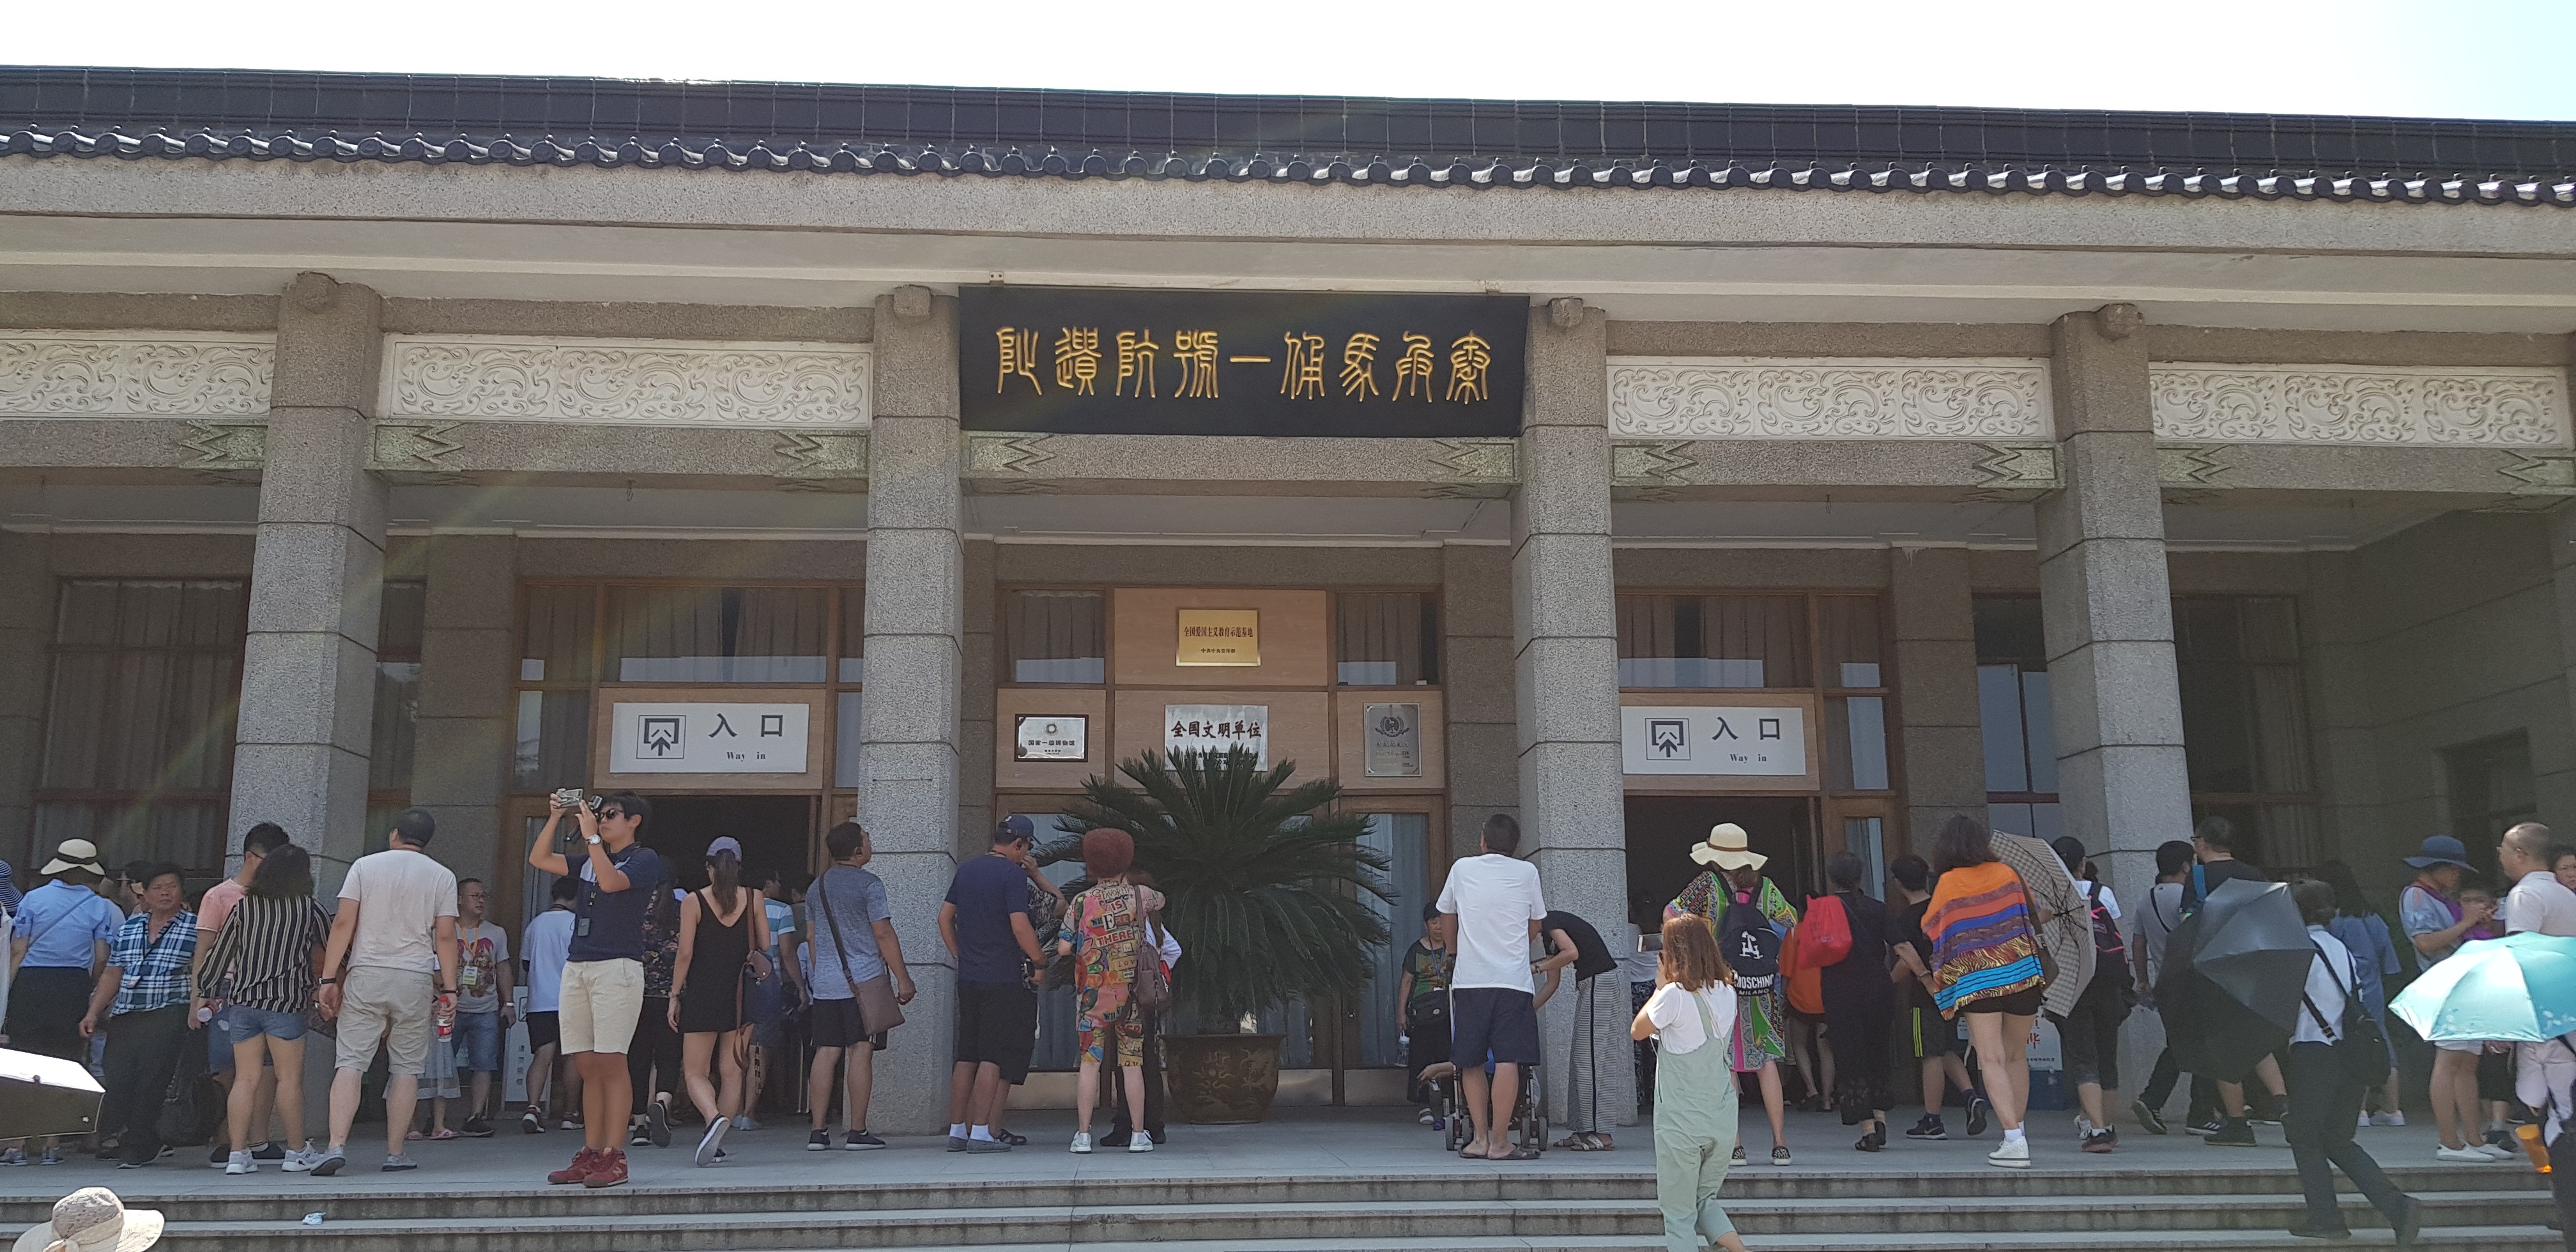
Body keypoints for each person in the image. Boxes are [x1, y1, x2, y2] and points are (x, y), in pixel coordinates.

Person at [528, 790, 667, 1190]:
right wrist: (555, 817)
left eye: (612, 815)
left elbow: (609, 882)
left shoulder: (643, 858)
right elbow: (539, 860)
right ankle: (590, 1153)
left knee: (611, 1061)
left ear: (633, 821)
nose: (603, 821)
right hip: (578, 966)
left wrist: (591, 839)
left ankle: (614, 1156)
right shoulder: (591, 857)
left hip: (617, 968)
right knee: (587, 1065)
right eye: (599, 815)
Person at [314, 808, 459, 1177]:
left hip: (367, 972)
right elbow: (445, 936)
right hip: (414, 977)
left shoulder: (365, 867)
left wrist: (329, 979)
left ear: (394, 834)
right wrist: (451, 987)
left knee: (350, 1062)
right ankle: (395, 1153)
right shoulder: (442, 876)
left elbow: (344, 922)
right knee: (407, 1068)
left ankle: (335, 1145)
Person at [2281, 878, 2422, 1244]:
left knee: (2305, 1137)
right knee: (2339, 1140)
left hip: (2313, 1052)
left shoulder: (2297, 950)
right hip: (2349, 1055)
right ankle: (2396, 1207)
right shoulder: (2340, 948)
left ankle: (2326, 1218)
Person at [191, 843, 328, 1174]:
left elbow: (220, 954)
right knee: (288, 1079)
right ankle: (297, 1153)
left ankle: (238, 1154)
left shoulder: (244, 908)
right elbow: (329, 951)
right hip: (285, 1001)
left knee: (246, 1079)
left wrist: (205, 993)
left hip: (242, 1001)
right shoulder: (309, 909)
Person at [1666, 822, 1797, 1166]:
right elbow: (1791, 920)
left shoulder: (1706, 885)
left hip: (1720, 984)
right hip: (1762, 986)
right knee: (1766, 1061)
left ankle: (1735, 1145)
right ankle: (1780, 1144)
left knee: (1726, 1061)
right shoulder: (1765, 888)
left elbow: (1672, 912)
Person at [1925, 816, 2048, 1169]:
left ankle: (2013, 1140)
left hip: (1978, 981)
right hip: (2023, 975)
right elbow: (2032, 913)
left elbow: (1934, 927)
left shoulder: (1948, 882)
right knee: (2016, 1056)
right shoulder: (2009, 874)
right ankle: (2017, 1130)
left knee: (1990, 1057)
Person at [1436, 813, 1548, 1163]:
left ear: (1483, 841)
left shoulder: (1462, 869)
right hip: (1513, 981)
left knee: (1469, 1060)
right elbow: (1537, 923)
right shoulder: (1527, 872)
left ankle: (1480, 1139)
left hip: (1470, 981)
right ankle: (1502, 1142)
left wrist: (1455, 951)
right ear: (1516, 847)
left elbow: (1446, 914)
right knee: (1508, 1059)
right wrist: (1517, 946)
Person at [3, 839, 122, 1166]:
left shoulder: (33, 899)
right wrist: (90, 988)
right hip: (72, 984)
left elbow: (18, 949)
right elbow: (102, 957)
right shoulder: (98, 906)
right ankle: (51, 1144)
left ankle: (15, 1145)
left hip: (32, 984)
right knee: (63, 1065)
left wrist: (7, 992)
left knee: (21, 1064)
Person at [1634, 915, 1749, 1252]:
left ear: (1673, 954)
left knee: (1679, 1215)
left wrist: (1658, 986)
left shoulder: (1672, 995)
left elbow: (1638, 1030)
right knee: (1705, 1201)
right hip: (1722, 1115)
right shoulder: (1727, 990)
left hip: (1681, 1122)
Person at [802, 821, 914, 1151]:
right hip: (863, 983)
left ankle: (818, 1132)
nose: (870, 843)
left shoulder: (816, 888)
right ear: (856, 850)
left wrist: (822, 972)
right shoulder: (869, 885)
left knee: (825, 1052)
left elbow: (812, 938)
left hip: (825, 985)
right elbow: (883, 933)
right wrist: (903, 978)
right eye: (867, 839)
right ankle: (857, 1131)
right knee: (860, 1051)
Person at [941, 816, 1049, 1153]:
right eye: (1027, 847)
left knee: (967, 1055)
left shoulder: (968, 870)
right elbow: (1020, 925)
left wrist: (959, 954)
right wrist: (1039, 961)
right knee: (993, 1056)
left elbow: (944, 917)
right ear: (1019, 844)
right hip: (1002, 976)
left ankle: (957, 1130)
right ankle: (982, 1132)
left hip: (969, 976)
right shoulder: (1012, 875)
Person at [1055, 828, 1165, 1154]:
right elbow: (1161, 900)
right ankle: (1138, 1134)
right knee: (1131, 1063)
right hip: (1130, 995)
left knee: (1090, 1062)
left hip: (1091, 997)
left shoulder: (1080, 902)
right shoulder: (1140, 895)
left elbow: (1063, 948)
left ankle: (1084, 1135)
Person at [81, 862, 195, 1169]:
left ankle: (140, 1144)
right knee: (118, 1077)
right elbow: (113, 971)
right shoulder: (131, 927)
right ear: (143, 892)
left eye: (171, 886)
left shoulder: (195, 927)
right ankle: (131, 1135)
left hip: (169, 1011)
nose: (165, 893)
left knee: (153, 1079)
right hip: (127, 1012)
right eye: (157, 887)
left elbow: (202, 973)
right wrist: (94, 1011)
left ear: (182, 890)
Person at [192, 822, 291, 1166]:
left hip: (269, 989)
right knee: (227, 1067)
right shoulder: (219, 896)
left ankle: (259, 1139)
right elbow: (203, 951)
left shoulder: (283, 896)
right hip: (225, 987)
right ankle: (227, 1139)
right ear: (250, 857)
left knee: (266, 1069)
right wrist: (198, 997)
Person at [2396, 834, 2499, 1163]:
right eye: (2452, 869)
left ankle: (2473, 1138)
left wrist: (2473, 922)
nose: (2457, 875)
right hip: (2444, 985)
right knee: (2449, 1062)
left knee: (2467, 1064)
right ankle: (2449, 1142)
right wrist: (2468, 921)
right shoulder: (2416, 896)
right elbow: (2425, 942)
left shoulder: (2440, 897)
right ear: (2435, 867)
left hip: (2462, 984)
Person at [669, 836, 770, 1167]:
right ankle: (719, 1143)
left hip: (702, 991)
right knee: (732, 1071)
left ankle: (713, 1119)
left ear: (709, 866)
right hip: (740, 993)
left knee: (695, 1070)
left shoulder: (694, 901)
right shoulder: (755, 896)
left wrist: (674, 994)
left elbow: (685, 953)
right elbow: (765, 943)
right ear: (738, 867)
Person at [2193, 818, 2287, 1147]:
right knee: (2255, 1038)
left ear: (2202, 842)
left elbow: (2189, 922)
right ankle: (2283, 1104)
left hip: (2214, 969)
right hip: (2252, 966)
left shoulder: (2199, 877)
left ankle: (2237, 1122)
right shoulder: (2254, 875)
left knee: (2223, 1046)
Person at [1887, 853, 1983, 1141]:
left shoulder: (1908, 918)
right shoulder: (1944, 908)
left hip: (1925, 993)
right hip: (1954, 989)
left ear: (1899, 884)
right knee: (1946, 1048)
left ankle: (1933, 1119)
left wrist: (1888, 982)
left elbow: (1907, 958)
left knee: (1930, 1054)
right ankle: (1970, 1097)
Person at [1806, 851, 1895, 1152]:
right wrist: (1920, 975)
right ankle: (1881, 1119)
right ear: (1861, 877)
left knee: (1851, 1058)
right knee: (1878, 1053)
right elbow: (1902, 945)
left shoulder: (1823, 909)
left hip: (1840, 990)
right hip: (1878, 988)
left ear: (1831, 879)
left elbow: (1811, 950)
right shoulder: (1878, 908)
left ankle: (1868, 1130)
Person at [2049, 836, 2132, 1154]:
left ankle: (2096, 1130)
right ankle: (2108, 1127)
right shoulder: (2102, 893)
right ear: (2083, 864)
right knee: (2106, 1057)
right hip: (2108, 983)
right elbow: (2116, 934)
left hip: (2072, 984)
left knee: (2083, 1058)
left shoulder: (2050, 899)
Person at [2315, 861, 2405, 1129]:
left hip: (2346, 989)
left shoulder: (2334, 921)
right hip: (2374, 988)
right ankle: (2393, 1109)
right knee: (2380, 1042)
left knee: (2353, 1044)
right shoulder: (2372, 918)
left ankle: (2360, 1110)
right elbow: (2390, 962)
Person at [2130, 840, 2209, 1135]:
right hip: (2192, 980)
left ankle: (2154, 1100)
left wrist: (2143, 979)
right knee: (2202, 1044)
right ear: (2186, 866)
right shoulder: (2186, 897)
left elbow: (2138, 943)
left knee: (2181, 1042)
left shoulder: (2146, 899)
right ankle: (2198, 1113)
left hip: (2165, 983)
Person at [1535, 906, 1620, 1152]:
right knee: (1581, 1059)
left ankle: (1602, 1135)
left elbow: (1571, 953)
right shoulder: (1548, 933)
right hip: (1590, 985)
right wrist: (1528, 1009)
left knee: (1593, 1061)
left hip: (1599, 982)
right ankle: (1581, 1130)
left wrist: (1536, 967)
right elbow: (1553, 982)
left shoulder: (1551, 921)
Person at [739, 867, 805, 1132]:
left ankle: (726, 1110)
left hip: (735, 987)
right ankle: (748, 1111)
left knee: (733, 1050)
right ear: (767, 882)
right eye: (777, 881)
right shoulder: (781, 911)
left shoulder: (735, 905)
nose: (780, 886)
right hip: (766, 987)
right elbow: (788, 952)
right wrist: (800, 987)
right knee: (759, 1051)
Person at [447, 878, 512, 1139]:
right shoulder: (444, 930)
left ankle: (476, 1115)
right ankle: (435, 1117)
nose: (481, 901)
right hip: (450, 1008)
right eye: (475, 896)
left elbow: (504, 967)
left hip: (485, 1007)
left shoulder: (496, 933)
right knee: (441, 1062)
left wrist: (507, 1003)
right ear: (460, 900)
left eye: (484, 895)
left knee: (484, 1064)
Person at [626, 882, 684, 1149]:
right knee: (669, 1057)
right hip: (670, 997)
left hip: (635, 996)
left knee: (637, 1059)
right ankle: (661, 1103)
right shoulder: (679, 913)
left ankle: (638, 1125)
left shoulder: (633, 912)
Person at [519, 876, 579, 1134]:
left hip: (539, 1000)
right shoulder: (576, 923)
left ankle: (532, 1109)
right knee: (573, 1058)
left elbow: (526, 963)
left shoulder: (535, 924)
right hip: (572, 999)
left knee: (542, 1055)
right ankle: (569, 1114)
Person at [1397, 903, 1455, 1125]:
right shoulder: (1416, 950)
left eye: (1442, 921)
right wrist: (1401, 1013)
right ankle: (1424, 1105)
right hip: (1422, 1012)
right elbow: (1406, 981)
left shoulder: (1455, 946)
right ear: (1426, 925)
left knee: (1448, 1056)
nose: (1439, 926)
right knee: (1420, 1056)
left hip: (1448, 1010)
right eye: (1434, 922)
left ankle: (1450, 1103)